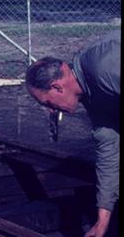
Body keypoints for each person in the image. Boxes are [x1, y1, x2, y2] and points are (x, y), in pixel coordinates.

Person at [25, 30, 120, 237]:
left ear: (57, 87)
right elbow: (109, 148)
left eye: (47, 103)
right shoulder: (92, 93)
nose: (51, 110)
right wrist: (102, 221)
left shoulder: (105, 68)